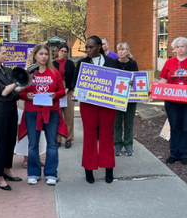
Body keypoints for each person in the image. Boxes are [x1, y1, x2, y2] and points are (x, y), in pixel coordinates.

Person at [74, 36, 120, 183]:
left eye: (91, 47)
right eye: (86, 47)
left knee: (107, 135)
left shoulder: (112, 62)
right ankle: (89, 169)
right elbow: (75, 83)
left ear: (99, 47)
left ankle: (109, 169)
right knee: (89, 136)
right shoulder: (82, 63)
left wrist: (128, 83)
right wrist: (76, 93)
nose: (87, 50)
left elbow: (120, 80)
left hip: (108, 104)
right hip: (88, 105)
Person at [18, 44, 66, 185]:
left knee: (52, 144)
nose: (44, 57)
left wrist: (55, 95)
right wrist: (27, 96)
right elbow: (20, 92)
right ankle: (33, 173)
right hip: (32, 113)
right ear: (35, 56)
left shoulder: (54, 72)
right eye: (41, 54)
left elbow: (62, 91)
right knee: (33, 144)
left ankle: (51, 173)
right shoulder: (28, 73)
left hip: (51, 112)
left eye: (46, 54)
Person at [0, 39, 26, 190]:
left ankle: (7, 169)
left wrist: (26, 82)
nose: (6, 55)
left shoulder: (7, 70)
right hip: (1, 109)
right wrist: (17, 82)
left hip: (11, 108)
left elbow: (15, 90)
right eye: (3, 53)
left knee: (10, 140)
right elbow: (3, 91)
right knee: (1, 142)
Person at [158, 37, 187, 165]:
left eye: (182, 46)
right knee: (174, 127)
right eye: (177, 47)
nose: (180, 49)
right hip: (172, 101)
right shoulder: (169, 62)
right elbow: (163, 80)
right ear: (175, 49)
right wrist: (154, 90)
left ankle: (184, 154)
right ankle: (173, 153)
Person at [114, 43, 138, 156]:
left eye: (123, 49)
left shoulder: (133, 63)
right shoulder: (114, 63)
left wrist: (133, 82)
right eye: (119, 50)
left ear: (127, 51)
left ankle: (128, 146)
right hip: (117, 98)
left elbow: (137, 80)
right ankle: (117, 145)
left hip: (130, 99)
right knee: (117, 123)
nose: (121, 52)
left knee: (129, 123)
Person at [53, 44, 76, 149]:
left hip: (68, 91)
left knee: (68, 116)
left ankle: (68, 138)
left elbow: (74, 79)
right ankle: (58, 139)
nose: (63, 53)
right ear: (58, 51)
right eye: (61, 51)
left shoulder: (70, 64)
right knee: (57, 116)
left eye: (65, 51)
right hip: (56, 91)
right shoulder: (52, 64)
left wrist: (68, 88)